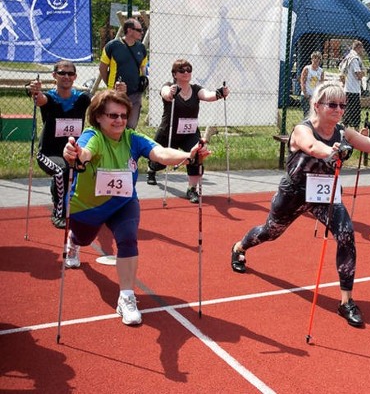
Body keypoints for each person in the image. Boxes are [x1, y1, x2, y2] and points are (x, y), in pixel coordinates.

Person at [229, 82, 370, 327]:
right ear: (317, 106)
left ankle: (346, 301)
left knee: (346, 233)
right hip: (294, 192)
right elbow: (311, 146)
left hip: (324, 195)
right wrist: (330, 151)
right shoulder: (301, 129)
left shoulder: (343, 132)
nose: (338, 110)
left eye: (342, 105)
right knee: (269, 232)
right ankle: (239, 247)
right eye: (332, 105)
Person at [61, 89, 211, 326]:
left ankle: (126, 297)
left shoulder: (132, 138)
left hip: (123, 201)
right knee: (83, 239)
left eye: (123, 115)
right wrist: (76, 154)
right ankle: (73, 242)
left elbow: (160, 153)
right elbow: (84, 152)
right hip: (88, 206)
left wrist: (188, 155)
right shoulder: (93, 136)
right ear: (98, 116)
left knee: (128, 239)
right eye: (112, 115)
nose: (119, 120)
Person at [146, 59, 230, 203]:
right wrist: (170, 93)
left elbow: (207, 95)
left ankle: (192, 189)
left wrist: (219, 93)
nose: (186, 73)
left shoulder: (196, 89)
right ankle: (151, 169)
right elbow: (165, 93)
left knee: (196, 156)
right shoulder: (169, 86)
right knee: (160, 161)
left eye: (188, 70)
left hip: (190, 133)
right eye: (182, 70)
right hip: (169, 132)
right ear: (175, 74)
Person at [28, 61, 91, 229]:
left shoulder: (81, 99)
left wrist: (117, 92)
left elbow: (101, 102)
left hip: (73, 152)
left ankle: (93, 209)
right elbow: (39, 99)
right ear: (54, 76)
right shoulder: (49, 98)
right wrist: (33, 90)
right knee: (62, 170)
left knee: (92, 166)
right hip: (49, 154)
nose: (66, 77)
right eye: (62, 73)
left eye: (70, 74)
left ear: (75, 77)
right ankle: (59, 213)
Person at [99, 18, 148, 129]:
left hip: (135, 94)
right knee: (114, 125)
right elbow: (102, 68)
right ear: (129, 30)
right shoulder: (112, 46)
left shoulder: (141, 47)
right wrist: (110, 86)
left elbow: (143, 68)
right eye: (139, 30)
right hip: (116, 94)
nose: (142, 32)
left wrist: (143, 82)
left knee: (131, 126)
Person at [341, 40, 365, 128]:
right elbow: (358, 75)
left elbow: (342, 73)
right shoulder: (354, 59)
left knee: (347, 111)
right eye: (362, 48)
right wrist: (364, 72)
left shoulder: (348, 57)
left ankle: (344, 130)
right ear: (358, 48)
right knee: (355, 113)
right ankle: (356, 131)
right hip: (353, 90)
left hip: (347, 88)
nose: (362, 51)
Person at [299, 51, 325, 119]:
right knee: (307, 115)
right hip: (306, 95)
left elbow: (322, 84)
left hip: (315, 95)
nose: (316, 60)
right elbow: (302, 81)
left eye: (318, 58)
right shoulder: (307, 69)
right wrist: (305, 93)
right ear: (312, 59)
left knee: (315, 114)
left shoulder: (321, 71)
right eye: (315, 58)